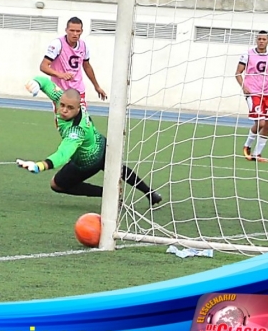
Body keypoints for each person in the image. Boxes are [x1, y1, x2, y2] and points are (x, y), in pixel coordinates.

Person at [17, 75, 162, 205]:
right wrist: (36, 82)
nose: (64, 110)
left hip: (87, 161)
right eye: (62, 105)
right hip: (101, 143)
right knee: (120, 169)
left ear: (78, 109)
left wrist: (40, 166)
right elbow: (46, 83)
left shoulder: (76, 131)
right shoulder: (62, 97)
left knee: (56, 185)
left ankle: (107, 194)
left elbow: (63, 154)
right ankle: (150, 193)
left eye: (70, 108)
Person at [235, 30, 268, 162]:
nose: (261, 41)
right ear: (256, 40)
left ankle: (257, 154)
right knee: (261, 122)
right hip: (252, 93)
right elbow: (238, 73)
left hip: (266, 93)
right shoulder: (248, 54)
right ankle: (247, 146)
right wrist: (244, 86)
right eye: (259, 39)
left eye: (264, 39)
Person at [40, 16, 107, 108]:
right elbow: (43, 66)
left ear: (81, 31)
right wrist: (61, 75)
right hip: (60, 90)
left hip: (78, 89)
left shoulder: (84, 46)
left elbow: (87, 66)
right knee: (64, 119)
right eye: (72, 30)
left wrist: (97, 86)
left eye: (78, 31)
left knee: (82, 118)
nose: (75, 34)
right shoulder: (57, 44)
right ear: (66, 30)